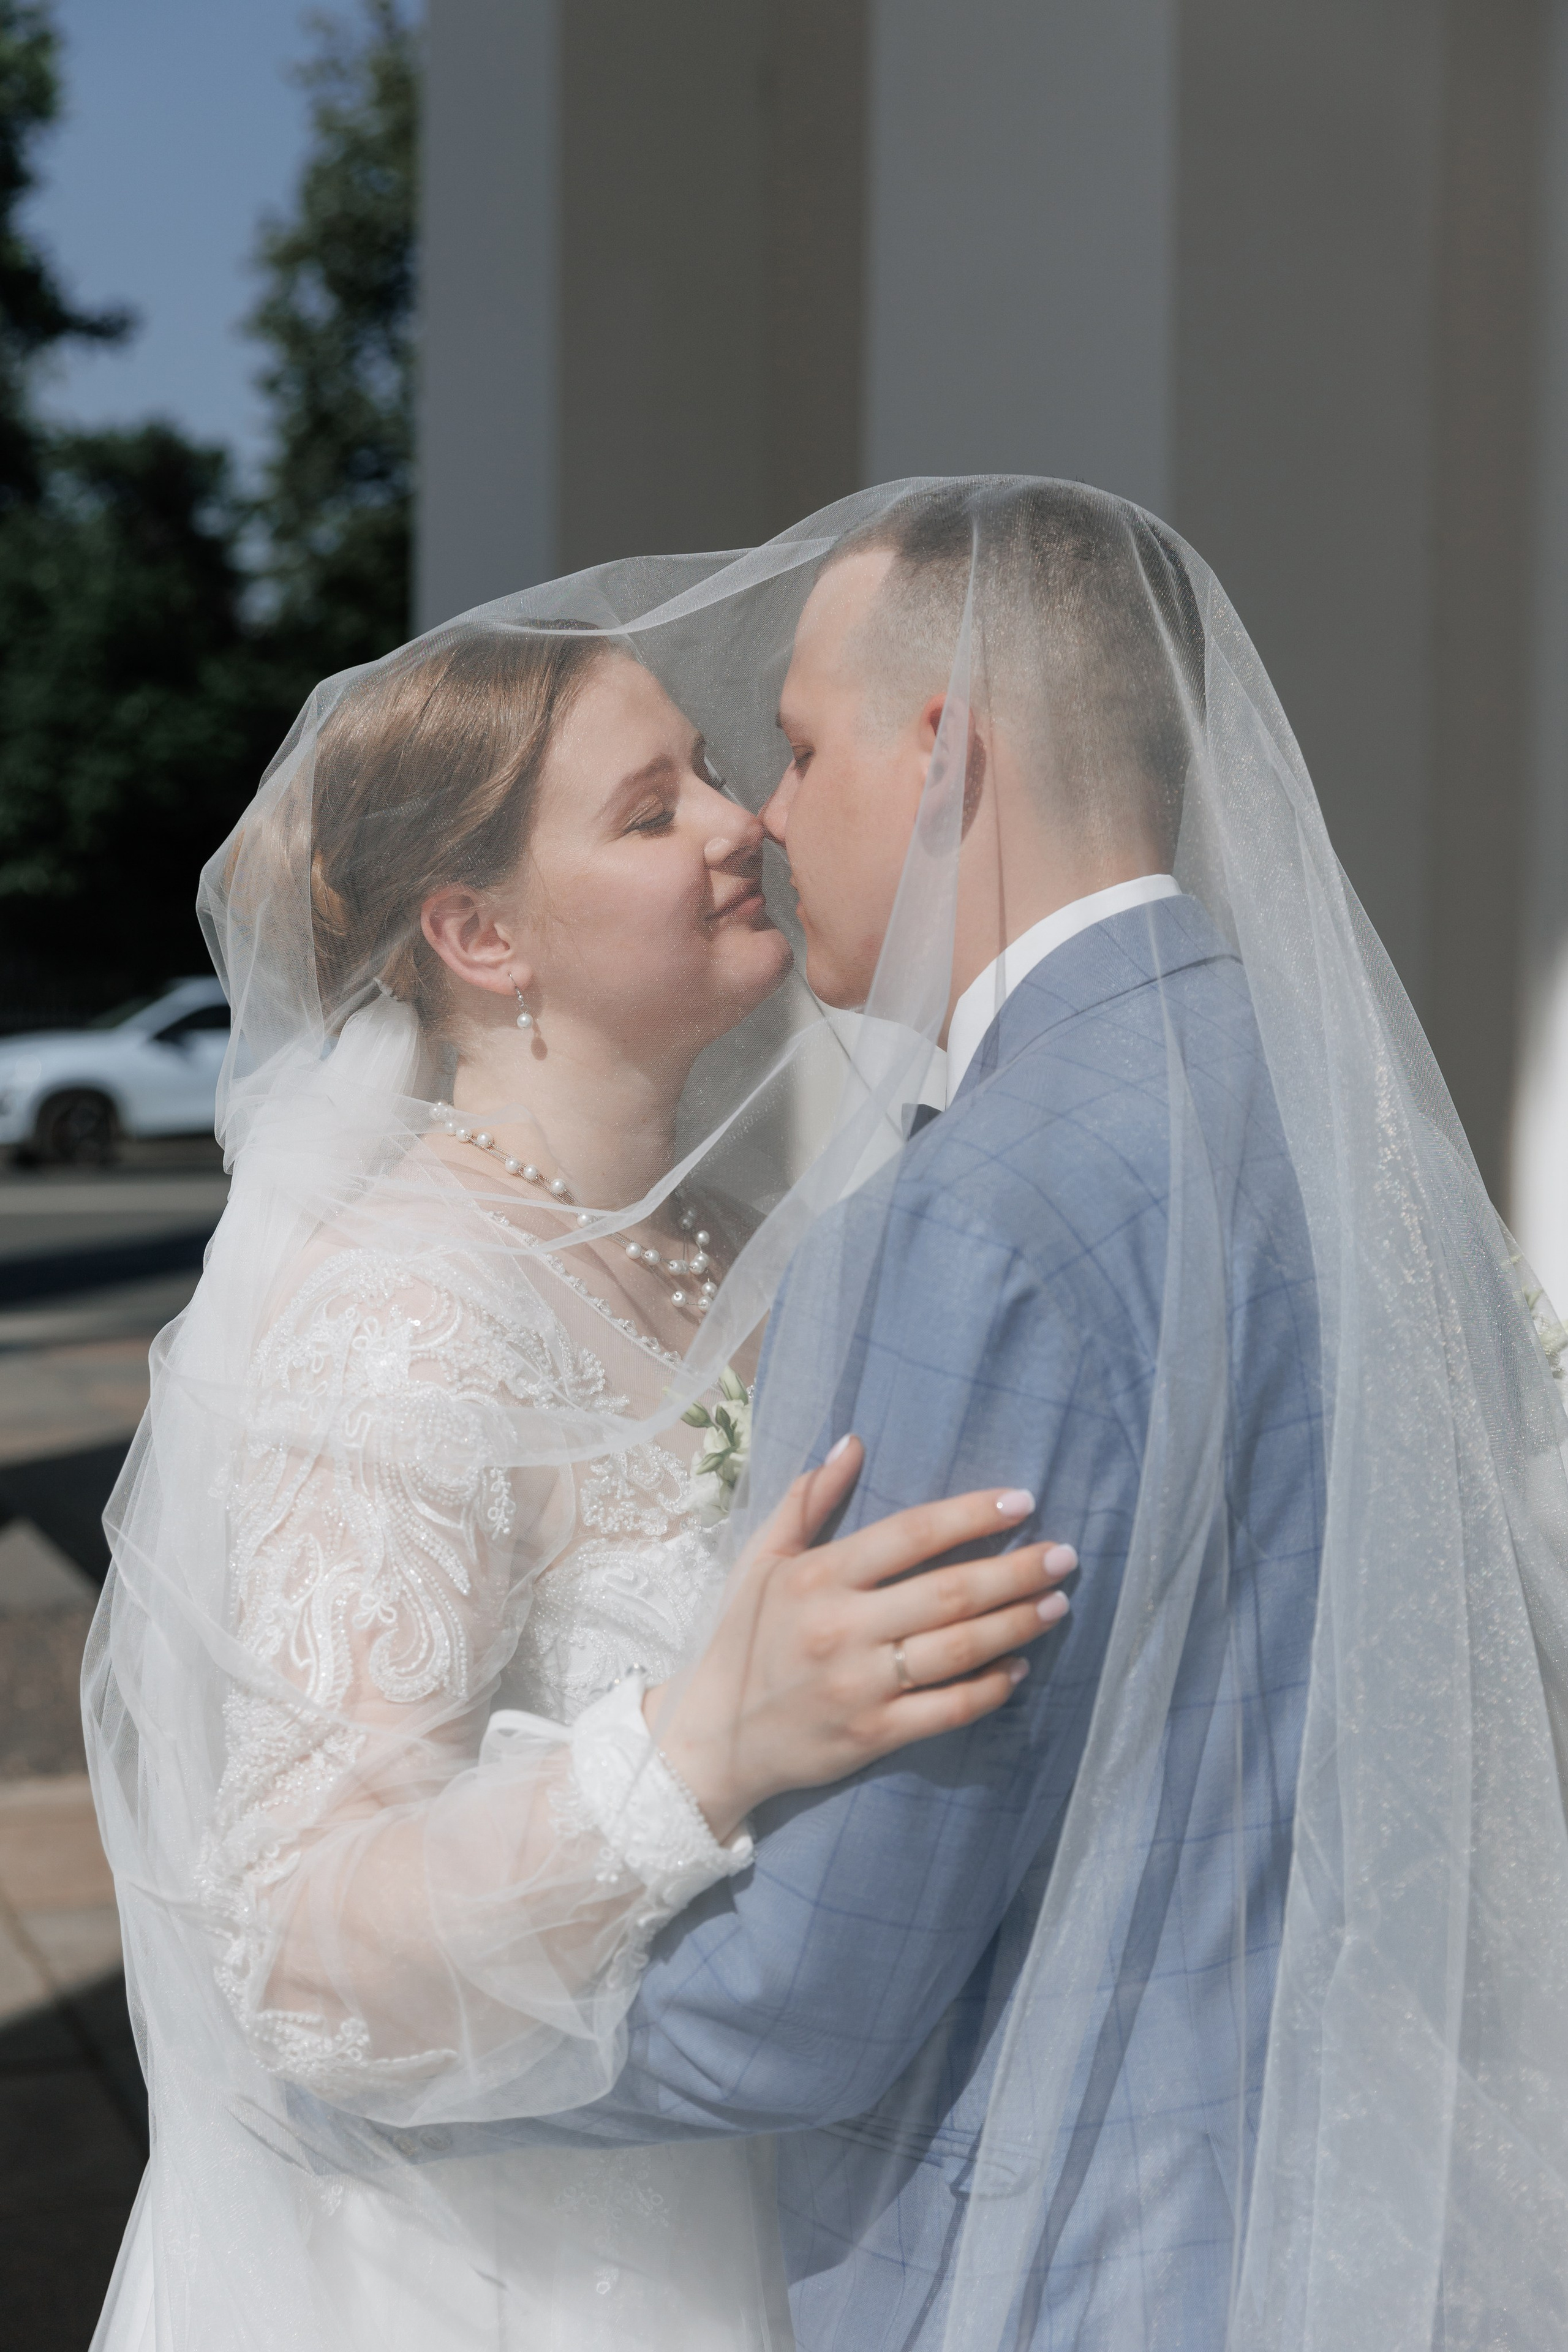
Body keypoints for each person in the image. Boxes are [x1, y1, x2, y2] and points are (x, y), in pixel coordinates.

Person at [421, 480, 1568, 2351]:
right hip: (1397, 2205)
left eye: (797, 751)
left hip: (1095, 2260)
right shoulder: (1337, 1107)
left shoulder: (970, 1217)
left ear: (942, 752)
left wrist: (405, 2045)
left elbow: (820, 1983)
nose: (770, 820)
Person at [86, 617, 1076, 2352]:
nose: (735, 822)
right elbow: (301, 1948)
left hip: (749, 2180)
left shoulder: (733, 1252)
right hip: (500, 2272)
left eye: (710, 768)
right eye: (648, 809)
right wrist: (703, 1745)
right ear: (479, 936)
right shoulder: (406, 1319)